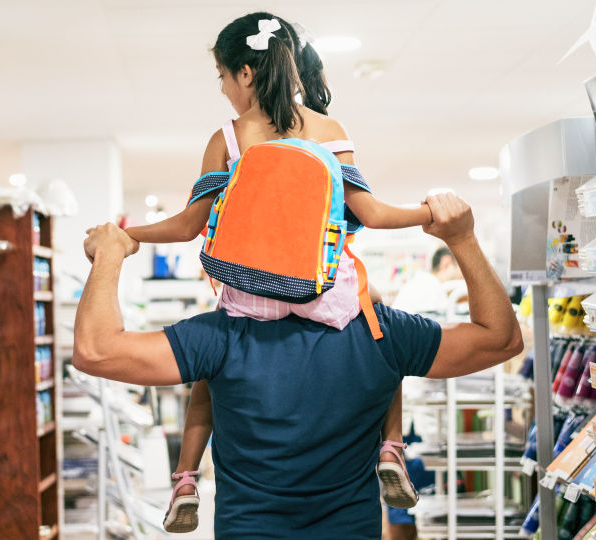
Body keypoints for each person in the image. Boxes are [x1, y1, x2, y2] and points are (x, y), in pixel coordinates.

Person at [122, 13, 432, 531]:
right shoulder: (329, 131)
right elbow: (373, 215)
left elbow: (188, 225)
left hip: (252, 297)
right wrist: (432, 213)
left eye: (222, 76)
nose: (223, 88)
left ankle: (184, 477)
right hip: (324, 292)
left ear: (245, 73)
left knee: (210, 371)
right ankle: (391, 447)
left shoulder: (230, 136)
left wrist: (130, 237)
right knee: (383, 332)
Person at [74, 191, 523, 539]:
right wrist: (461, 238)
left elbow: (97, 350)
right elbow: (500, 339)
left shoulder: (221, 335)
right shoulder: (378, 331)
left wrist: (111, 253)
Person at [392, 246, 464, 315]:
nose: (462, 274)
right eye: (460, 267)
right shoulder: (432, 288)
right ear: (446, 263)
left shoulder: (419, 282)